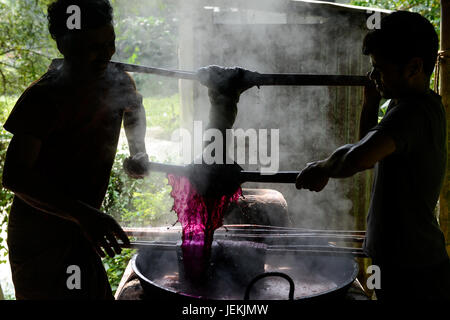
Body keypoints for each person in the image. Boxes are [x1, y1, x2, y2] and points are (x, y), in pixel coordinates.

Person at [295, 11, 450, 300]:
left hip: (416, 270)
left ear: (414, 67)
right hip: (405, 263)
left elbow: (359, 157)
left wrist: (322, 167)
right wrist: (371, 104)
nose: (372, 76)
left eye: (379, 69)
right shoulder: (405, 105)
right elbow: (370, 146)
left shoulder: (414, 112)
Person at [2, 0, 149, 299]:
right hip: (40, 240)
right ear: (64, 44)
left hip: (83, 229)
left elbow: (134, 108)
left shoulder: (117, 79)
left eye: (110, 43)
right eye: (92, 47)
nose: (106, 54)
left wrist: (139, 151)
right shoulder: (43, 98)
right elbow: (15, 177)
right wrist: (84, 216)